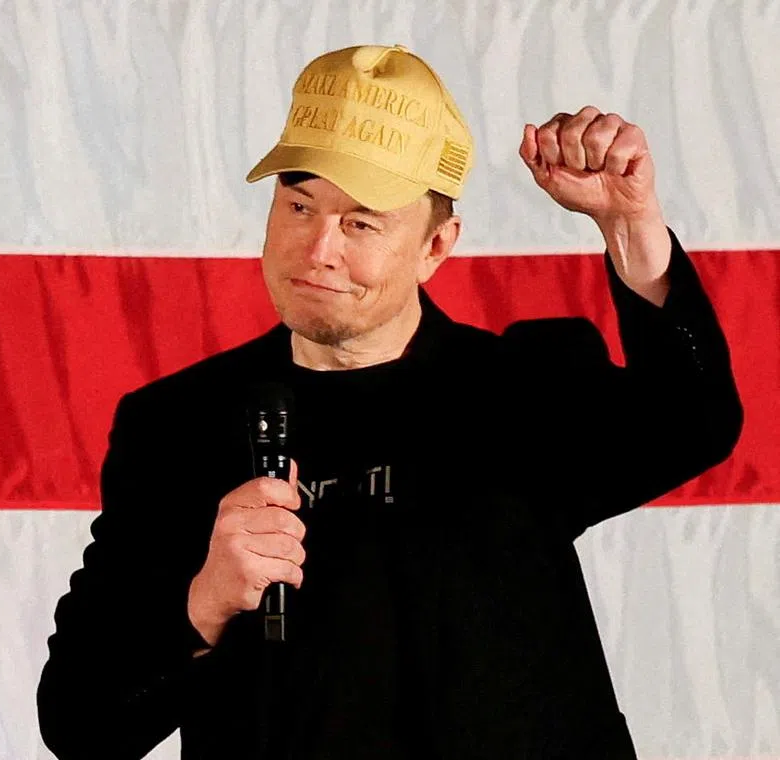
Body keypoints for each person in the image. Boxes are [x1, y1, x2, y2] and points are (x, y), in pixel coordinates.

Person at [36, 44, 743, 759]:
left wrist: (629, 222)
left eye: (361, 222)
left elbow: (695, 422)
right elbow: (79, 724)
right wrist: (204, 604)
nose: (317, 250)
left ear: (437, 245)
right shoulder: (177, 425)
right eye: (299, 203)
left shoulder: (521, 389)